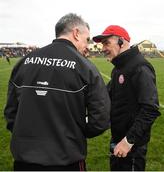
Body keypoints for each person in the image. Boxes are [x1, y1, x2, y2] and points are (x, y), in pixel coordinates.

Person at [4, 13, 111, 171]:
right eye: (86, 39)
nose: (87, 46)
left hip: (24, 159)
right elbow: (100, 119)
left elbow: (11, 113)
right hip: (66, 159)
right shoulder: (85, 67)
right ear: (76, 33)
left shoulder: (24, 62)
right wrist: (76, 133)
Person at [93, 25, 160, 171]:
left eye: (106, 43)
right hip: (117, 139)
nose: (103, 48)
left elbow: (150, 109)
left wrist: (128, 141)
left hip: (131, 146)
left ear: (121, 42)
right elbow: (104, 95)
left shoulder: (140, 67)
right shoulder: (118, 68)